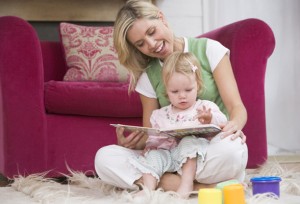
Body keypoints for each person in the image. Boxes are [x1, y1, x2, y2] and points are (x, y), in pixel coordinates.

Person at [95, 0, 248, 192]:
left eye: (151, 32)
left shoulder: (209, 49)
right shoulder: (148, 77)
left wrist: (234, 126)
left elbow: (237, 108)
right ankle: (205, 187)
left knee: (232, 151)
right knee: (105, 158)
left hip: (210, 151)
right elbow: (151, 133)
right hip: (170, 155)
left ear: (161, 18)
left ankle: (170, 183)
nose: (151, 45)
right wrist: (131, 142)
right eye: (141, 44)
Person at [130, 51, 229, 198]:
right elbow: (155, 138)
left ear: (198, 85)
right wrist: (150, 147)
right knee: (153, 155)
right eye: (174, 91)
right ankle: (148, 190)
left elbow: (223, 122)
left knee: (189, 141)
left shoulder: (204, 107)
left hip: (194, 158)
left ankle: (186, 184)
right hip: (169, 155)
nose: (182, 96)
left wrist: (209, 119)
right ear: (166, 91)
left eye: (188, 90)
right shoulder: (161, 114)